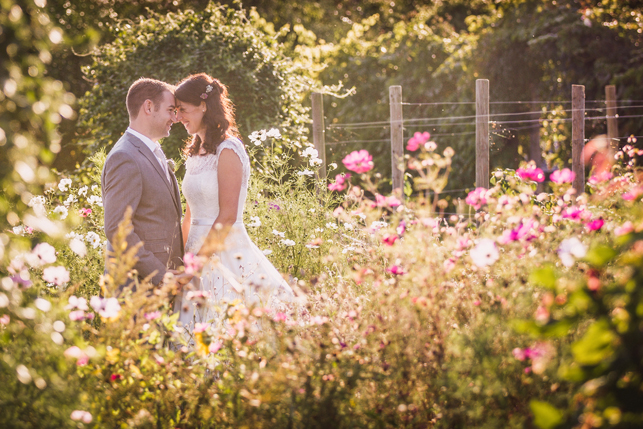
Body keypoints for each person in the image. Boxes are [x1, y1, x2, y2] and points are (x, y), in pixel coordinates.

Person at [172, 73, 295, 332]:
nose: (178, 116)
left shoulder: (228, 150)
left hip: (226, 252)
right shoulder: (194, 153)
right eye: (175, 110)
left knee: (229, 326)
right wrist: (183, 261)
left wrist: (195, 267)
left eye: (183, 109)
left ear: (203, 106)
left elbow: (227, 216)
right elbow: (189, 215)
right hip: (195, 253)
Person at [102, 78, 189, 290]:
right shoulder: (125, 157)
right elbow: (116, 228)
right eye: (170, 110)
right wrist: (158, 274)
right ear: (148, 107)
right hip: (136, 287)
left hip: (160, 285)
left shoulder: (151, 150)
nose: (175, 118)